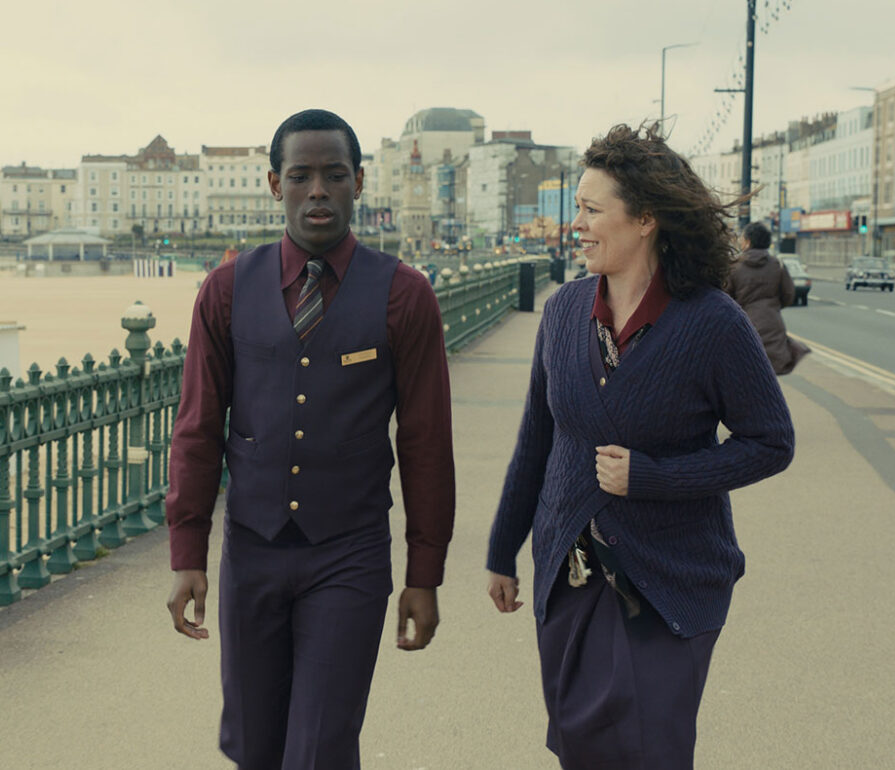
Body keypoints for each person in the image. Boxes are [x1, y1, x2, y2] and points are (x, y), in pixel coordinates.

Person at [484, 123, 795, 769]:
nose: (577, 225)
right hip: (570, 572)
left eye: (592, 211)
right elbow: (536, 440)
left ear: (646, 219)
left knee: (652, 749)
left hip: (670, 579)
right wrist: (500, 551)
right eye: (578, 208)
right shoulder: (563, 311)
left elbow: (771, 443)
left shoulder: (712, 321)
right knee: (582, 746)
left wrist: (655, 476)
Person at [164, 108, 457, 769]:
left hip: (349, 554)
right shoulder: (226, 291)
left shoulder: (404, 295)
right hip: (253, 551)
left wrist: (424, 574)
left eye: (334, 175)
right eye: (300, 176)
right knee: (253, 745)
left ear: (359, 181)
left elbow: (426, 444)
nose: (317, 191)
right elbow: (198, 429)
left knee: (321, 748)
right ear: (276, 184)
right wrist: (188, 555)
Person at [728, 221, 811, 375]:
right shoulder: (777, 265)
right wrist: (772, 307)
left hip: (744, 327)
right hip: (773, 325)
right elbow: (788, 295)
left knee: (746, 372)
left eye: (742, 238)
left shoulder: (734, 267)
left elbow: (726, 299)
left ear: (748, 242)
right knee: (770, 374)